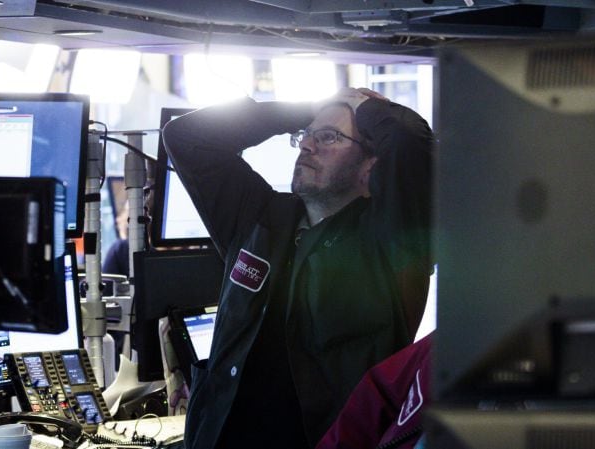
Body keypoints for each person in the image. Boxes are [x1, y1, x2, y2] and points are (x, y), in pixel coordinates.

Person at [162, 87, 434, 449]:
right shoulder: (259, 217)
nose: (307, 145)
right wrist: (308, 108)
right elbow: (188, 137)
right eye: (306, 135)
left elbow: (409, 141)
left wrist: (364, 108)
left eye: (328, 137)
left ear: (371, 166)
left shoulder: (392, 240)